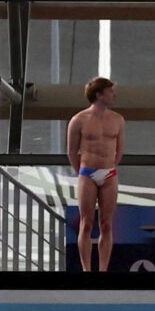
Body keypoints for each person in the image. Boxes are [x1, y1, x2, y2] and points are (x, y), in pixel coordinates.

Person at [65, 77, 124, 273]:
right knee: (86, 222)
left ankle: (104, 269)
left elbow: (119, 150)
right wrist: (81, 172)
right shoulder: (78, 120)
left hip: (109, 173)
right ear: (99, 94)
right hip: (87, 173)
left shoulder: (117, 119)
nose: (114, 95)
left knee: (106, 223)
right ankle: (86, 269)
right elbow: (72, 151)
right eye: (110, 91)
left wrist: (109, 168)